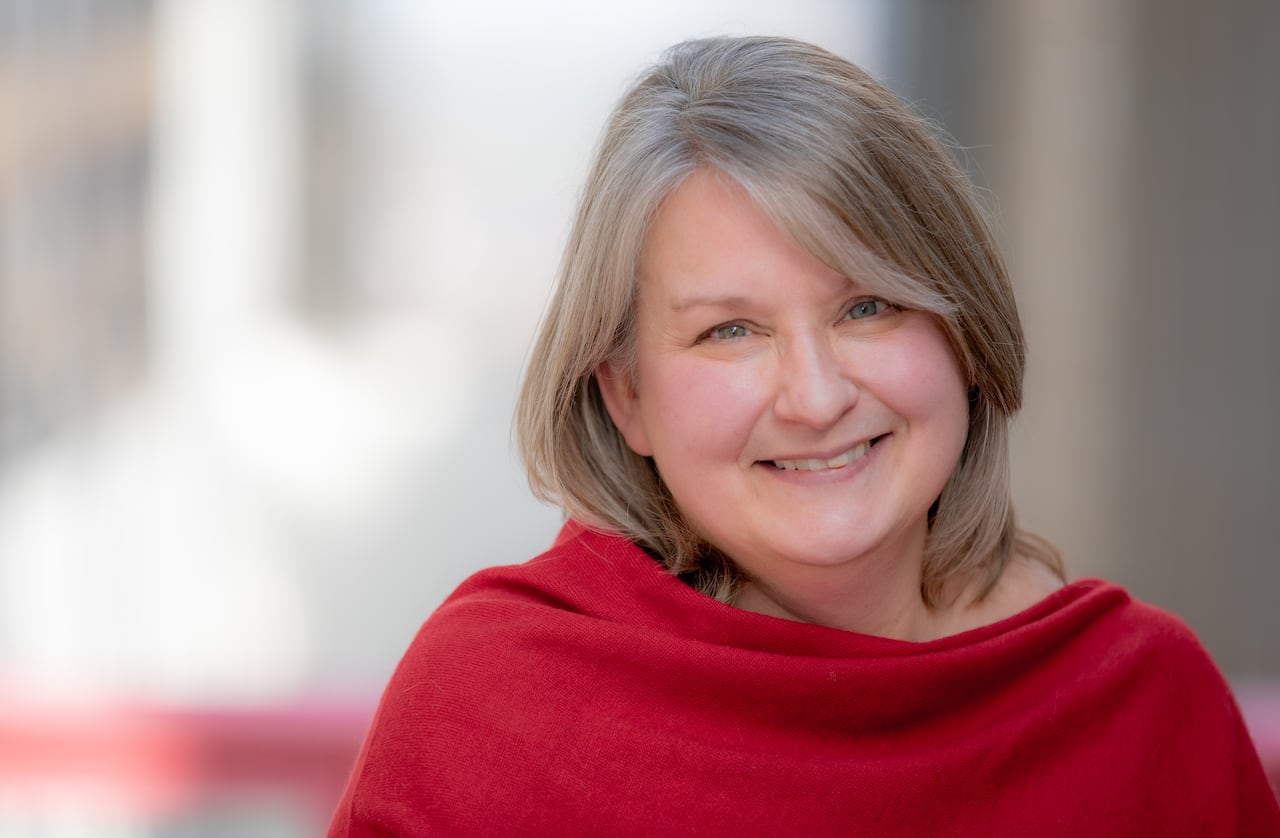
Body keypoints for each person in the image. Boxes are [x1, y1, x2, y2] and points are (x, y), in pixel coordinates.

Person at [328, 36, 1279, 836]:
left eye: (868, 306)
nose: (816, 398)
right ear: (626, 397)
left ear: (966, 336)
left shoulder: (1144, 705)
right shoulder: (493, 708)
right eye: (730, 331)